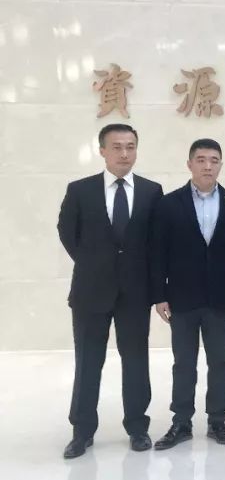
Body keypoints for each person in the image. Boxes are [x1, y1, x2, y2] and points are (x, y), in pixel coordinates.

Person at [56, 124, 163, 458]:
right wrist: (93, 263)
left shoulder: (151, 191)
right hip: (91, 292)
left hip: (135, 292)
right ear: (102, 150)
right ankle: (82, 431)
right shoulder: (80, 190)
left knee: (136, 361)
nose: (124, 154)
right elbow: (67, 232)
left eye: (130, 146)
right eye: (116, 147)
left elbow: (156, 242)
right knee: (88, 362)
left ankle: (138, 428)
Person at [151, 139, 225, 449]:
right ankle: (181, 422)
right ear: (189, 164)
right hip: (182, 297)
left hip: (220, 298)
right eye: (201, 160)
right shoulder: (169, 204)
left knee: (219, 361)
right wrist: (159, 295)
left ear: (221, 165)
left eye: (214, 160)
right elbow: (158, 253)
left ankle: (217, 421)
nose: (208, 166)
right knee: (183, 363)